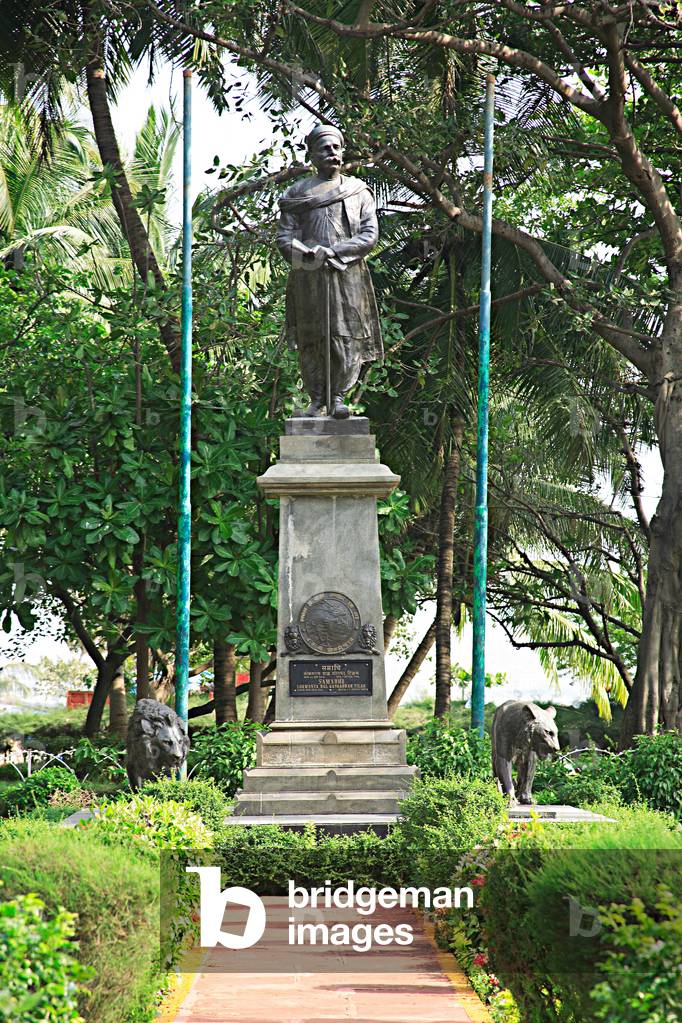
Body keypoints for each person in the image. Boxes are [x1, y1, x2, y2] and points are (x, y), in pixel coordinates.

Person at [276, 124, 383, 419]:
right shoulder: (296, 194)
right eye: (325, 148)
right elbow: (284, 238)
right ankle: (316, 397)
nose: (332, 153)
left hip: (347, 276)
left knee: (345, 335)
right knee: (311, 338)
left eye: (336, 148)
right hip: (307, 276)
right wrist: (307, 253)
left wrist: (335, 251)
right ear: (311, 153)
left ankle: (338, 396)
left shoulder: (358, 192)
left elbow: (370, 235)